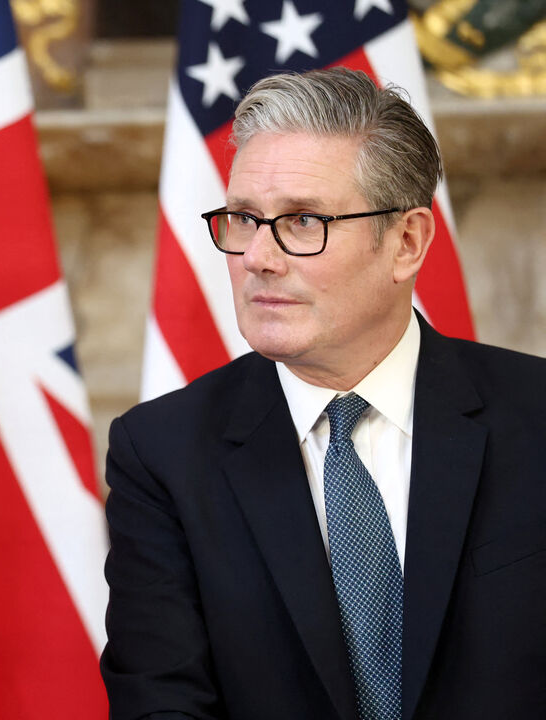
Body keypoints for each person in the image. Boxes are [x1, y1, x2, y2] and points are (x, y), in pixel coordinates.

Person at [101, 67, 546, 720]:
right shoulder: (162, 453)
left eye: (302, 221)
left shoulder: (536, 416)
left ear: (407, 241)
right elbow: (160, 702)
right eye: (244, 219)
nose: (257, 256)